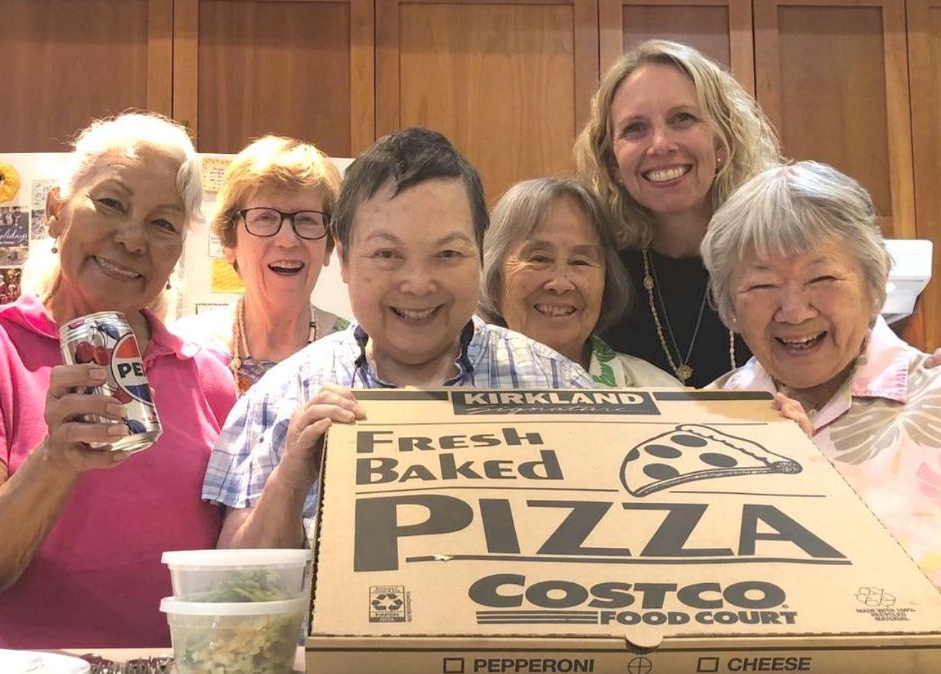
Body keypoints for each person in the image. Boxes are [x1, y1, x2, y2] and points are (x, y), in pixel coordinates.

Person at [0, 112, 236, 647]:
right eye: (112, 203)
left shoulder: (206, 373)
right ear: (56, 211)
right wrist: (55, 460)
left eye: (163, 224)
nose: (132, 239)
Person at [201, 128, 594, 549]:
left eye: (447, 254)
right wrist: (289, 481)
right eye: (387, 254)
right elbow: (235, 579)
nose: (418, 284)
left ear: (480, 254)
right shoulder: (279, 398)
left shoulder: (562, 391)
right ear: (345, 259)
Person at [703, 161, 941, 587]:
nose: (794, 311)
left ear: (875, 283)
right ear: (730, 307)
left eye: (822, 278)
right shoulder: (698, 421)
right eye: (762, 286)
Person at [574, 39, 783, 387]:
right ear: (612, 162)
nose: (661, 145)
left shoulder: (781, 256)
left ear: (722, 143)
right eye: (635, 128)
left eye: (682, 119)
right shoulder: (594, 273)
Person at [175, 135, 347, 393]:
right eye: (265, 218)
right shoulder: (185, 351)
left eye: (307, 220)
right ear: (230, 243)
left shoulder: (356, 355)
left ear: (328, 246)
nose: (288, 241)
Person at [479, 178, 679, 387]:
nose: (560, 284)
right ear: (494, 276)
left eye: (580, 262)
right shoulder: (458, 387)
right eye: (539, 259)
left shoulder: (663, 393)